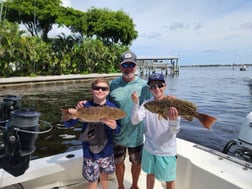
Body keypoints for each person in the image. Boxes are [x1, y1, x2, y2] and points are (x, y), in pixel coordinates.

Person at [77, 51, 151, 189]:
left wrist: (170, 100)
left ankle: (135, 185)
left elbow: (152, 102)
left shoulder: (144, 86)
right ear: (120, 66)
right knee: (118, 162)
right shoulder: (113, 85)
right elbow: (101, 102)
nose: (128, 68)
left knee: (136, 162)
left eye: (131, 64)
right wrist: (85, 104)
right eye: (125, 65)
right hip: (116, 134)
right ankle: (121, 186)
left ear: (136, 66)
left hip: (136, 134)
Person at [64, 78, 121, 189]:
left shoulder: (113, 108)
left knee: (105, 176)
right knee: (91, 180)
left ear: (108, 91)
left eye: (104, 88)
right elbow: (68, 125)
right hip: (89, 151)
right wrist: (71, 114)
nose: (100, 90)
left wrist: (114, 126)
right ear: (91, 90)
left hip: (107, 150)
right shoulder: (84, 106)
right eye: (97, 88)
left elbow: (118, 129)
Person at [131, 73, 180, 189]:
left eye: (160, 85)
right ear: (149, 89)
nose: (157, 88)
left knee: (169, 179)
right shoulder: (146, 104)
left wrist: (173, 120)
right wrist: (135, 103)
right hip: (149, 148)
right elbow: (134, 120)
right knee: (150, 173)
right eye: (153, 86)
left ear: (165, 86)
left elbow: (175, 130)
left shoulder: (172, 104)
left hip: (167, 150)